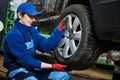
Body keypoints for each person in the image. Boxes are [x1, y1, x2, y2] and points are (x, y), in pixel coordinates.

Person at [3, 2, 70, 80]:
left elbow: (45, 46)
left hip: (32, 69)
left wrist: (59, 30)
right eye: (30, 16)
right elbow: (25, 60)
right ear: (20, 15)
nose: (33, 19)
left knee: (63, 75)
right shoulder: (13, 35)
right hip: (17, 70)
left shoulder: (31, 30)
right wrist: (52, 66)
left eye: (34, 17)